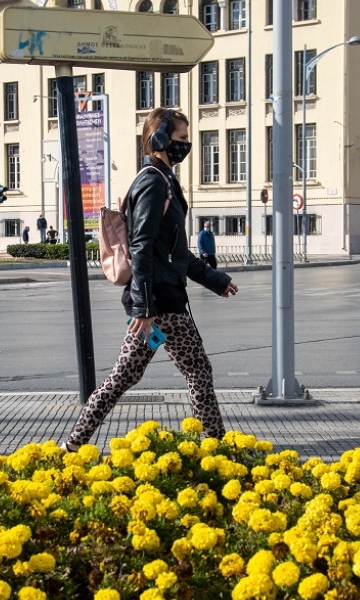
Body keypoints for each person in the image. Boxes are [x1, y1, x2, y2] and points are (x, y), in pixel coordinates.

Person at [60, 108, 239, 452]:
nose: (186, 145)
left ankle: (72, 446)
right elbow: (141, 246)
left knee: (123, 378)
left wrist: (216, 280)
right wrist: (144, 307)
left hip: (158, 301)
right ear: (159, 140)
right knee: (197, 371)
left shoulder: (164, 180)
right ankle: (216, 447)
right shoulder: (153, 181)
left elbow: (174, 251)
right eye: (182, 138)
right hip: (159, 303)